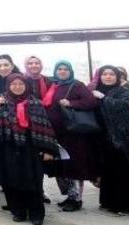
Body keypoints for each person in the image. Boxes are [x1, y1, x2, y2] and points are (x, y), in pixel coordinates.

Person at [0, 73, 59, 225]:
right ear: (8, 86)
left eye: (20, 84)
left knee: (33, 181)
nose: (17, 87)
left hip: (31, 148)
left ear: (26, 85)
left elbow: (45, 126)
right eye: (13, 84)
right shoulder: (3, 103)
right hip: (8, 147)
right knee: (12, 181)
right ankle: (18, 211)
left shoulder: (35, 103)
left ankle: (36, 213)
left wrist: (48, 149)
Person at [41, 60, 100, 212]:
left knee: (74, 166)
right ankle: (69, 195)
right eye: (59, 69)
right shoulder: (53, 85)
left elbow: (91, 102)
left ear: (70, 71)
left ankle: (76, 199)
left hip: (72, 134)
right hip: (57, 133)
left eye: (65, 69)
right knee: (61, 166)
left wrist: (71, 103)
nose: (62, 71)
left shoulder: (77, 85)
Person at [94, 65, 129, 214]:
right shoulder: (97, 91)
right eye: (104, 74)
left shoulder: (124, 92)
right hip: (102, 137)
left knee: (122, 170)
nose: (108, 77)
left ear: (117, 77)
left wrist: (104, 99)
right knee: (107, 170)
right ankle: (108, 201)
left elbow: (125, 107)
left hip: (120, 137)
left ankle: (125, 204)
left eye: (111, 74)